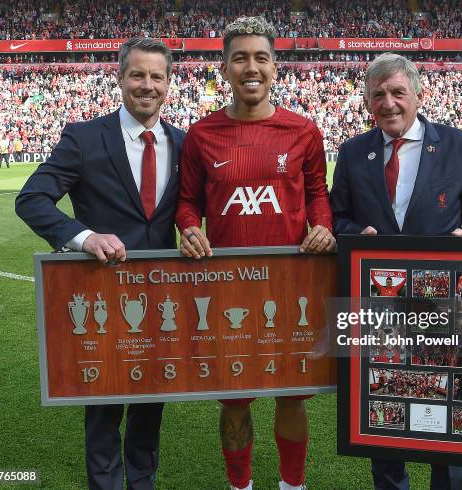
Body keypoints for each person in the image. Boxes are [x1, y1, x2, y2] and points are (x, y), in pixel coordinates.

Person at [15, 37, 185, 490]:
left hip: (163, 300)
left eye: (156, 76)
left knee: (151, 407)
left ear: (169, 83)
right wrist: (85, 238)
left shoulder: (186, 144)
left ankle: (143, 483)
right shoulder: (84, 137)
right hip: (104, 296)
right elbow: (31, 198)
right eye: (137, 75)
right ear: (120, 78)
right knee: (104, 411)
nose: (147, 85)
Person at [175, 16, 335, 490]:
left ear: (274, 67)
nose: (251, 67)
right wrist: (188, 228)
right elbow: (188, 201)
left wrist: (323, 226)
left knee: (291, 394)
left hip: (290, 287)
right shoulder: (202, 135)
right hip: (226, 289)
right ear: (224, 68)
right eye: (240, 58)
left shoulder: (303, 131)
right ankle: (239, 485)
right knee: (235, 398)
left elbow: (317, 192)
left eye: (260, 57)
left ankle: (292, 484)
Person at [330, 53, 462, 490]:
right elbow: (335, 217)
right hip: (380, 305)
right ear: (367, 101)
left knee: (449, 405)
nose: (389, 103)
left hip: (445, 304)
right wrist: (353, 233)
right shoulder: (350, 153)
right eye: (378, 95)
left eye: (398, 92)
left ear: (419, 95)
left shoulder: (459, 145)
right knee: (385, 405)